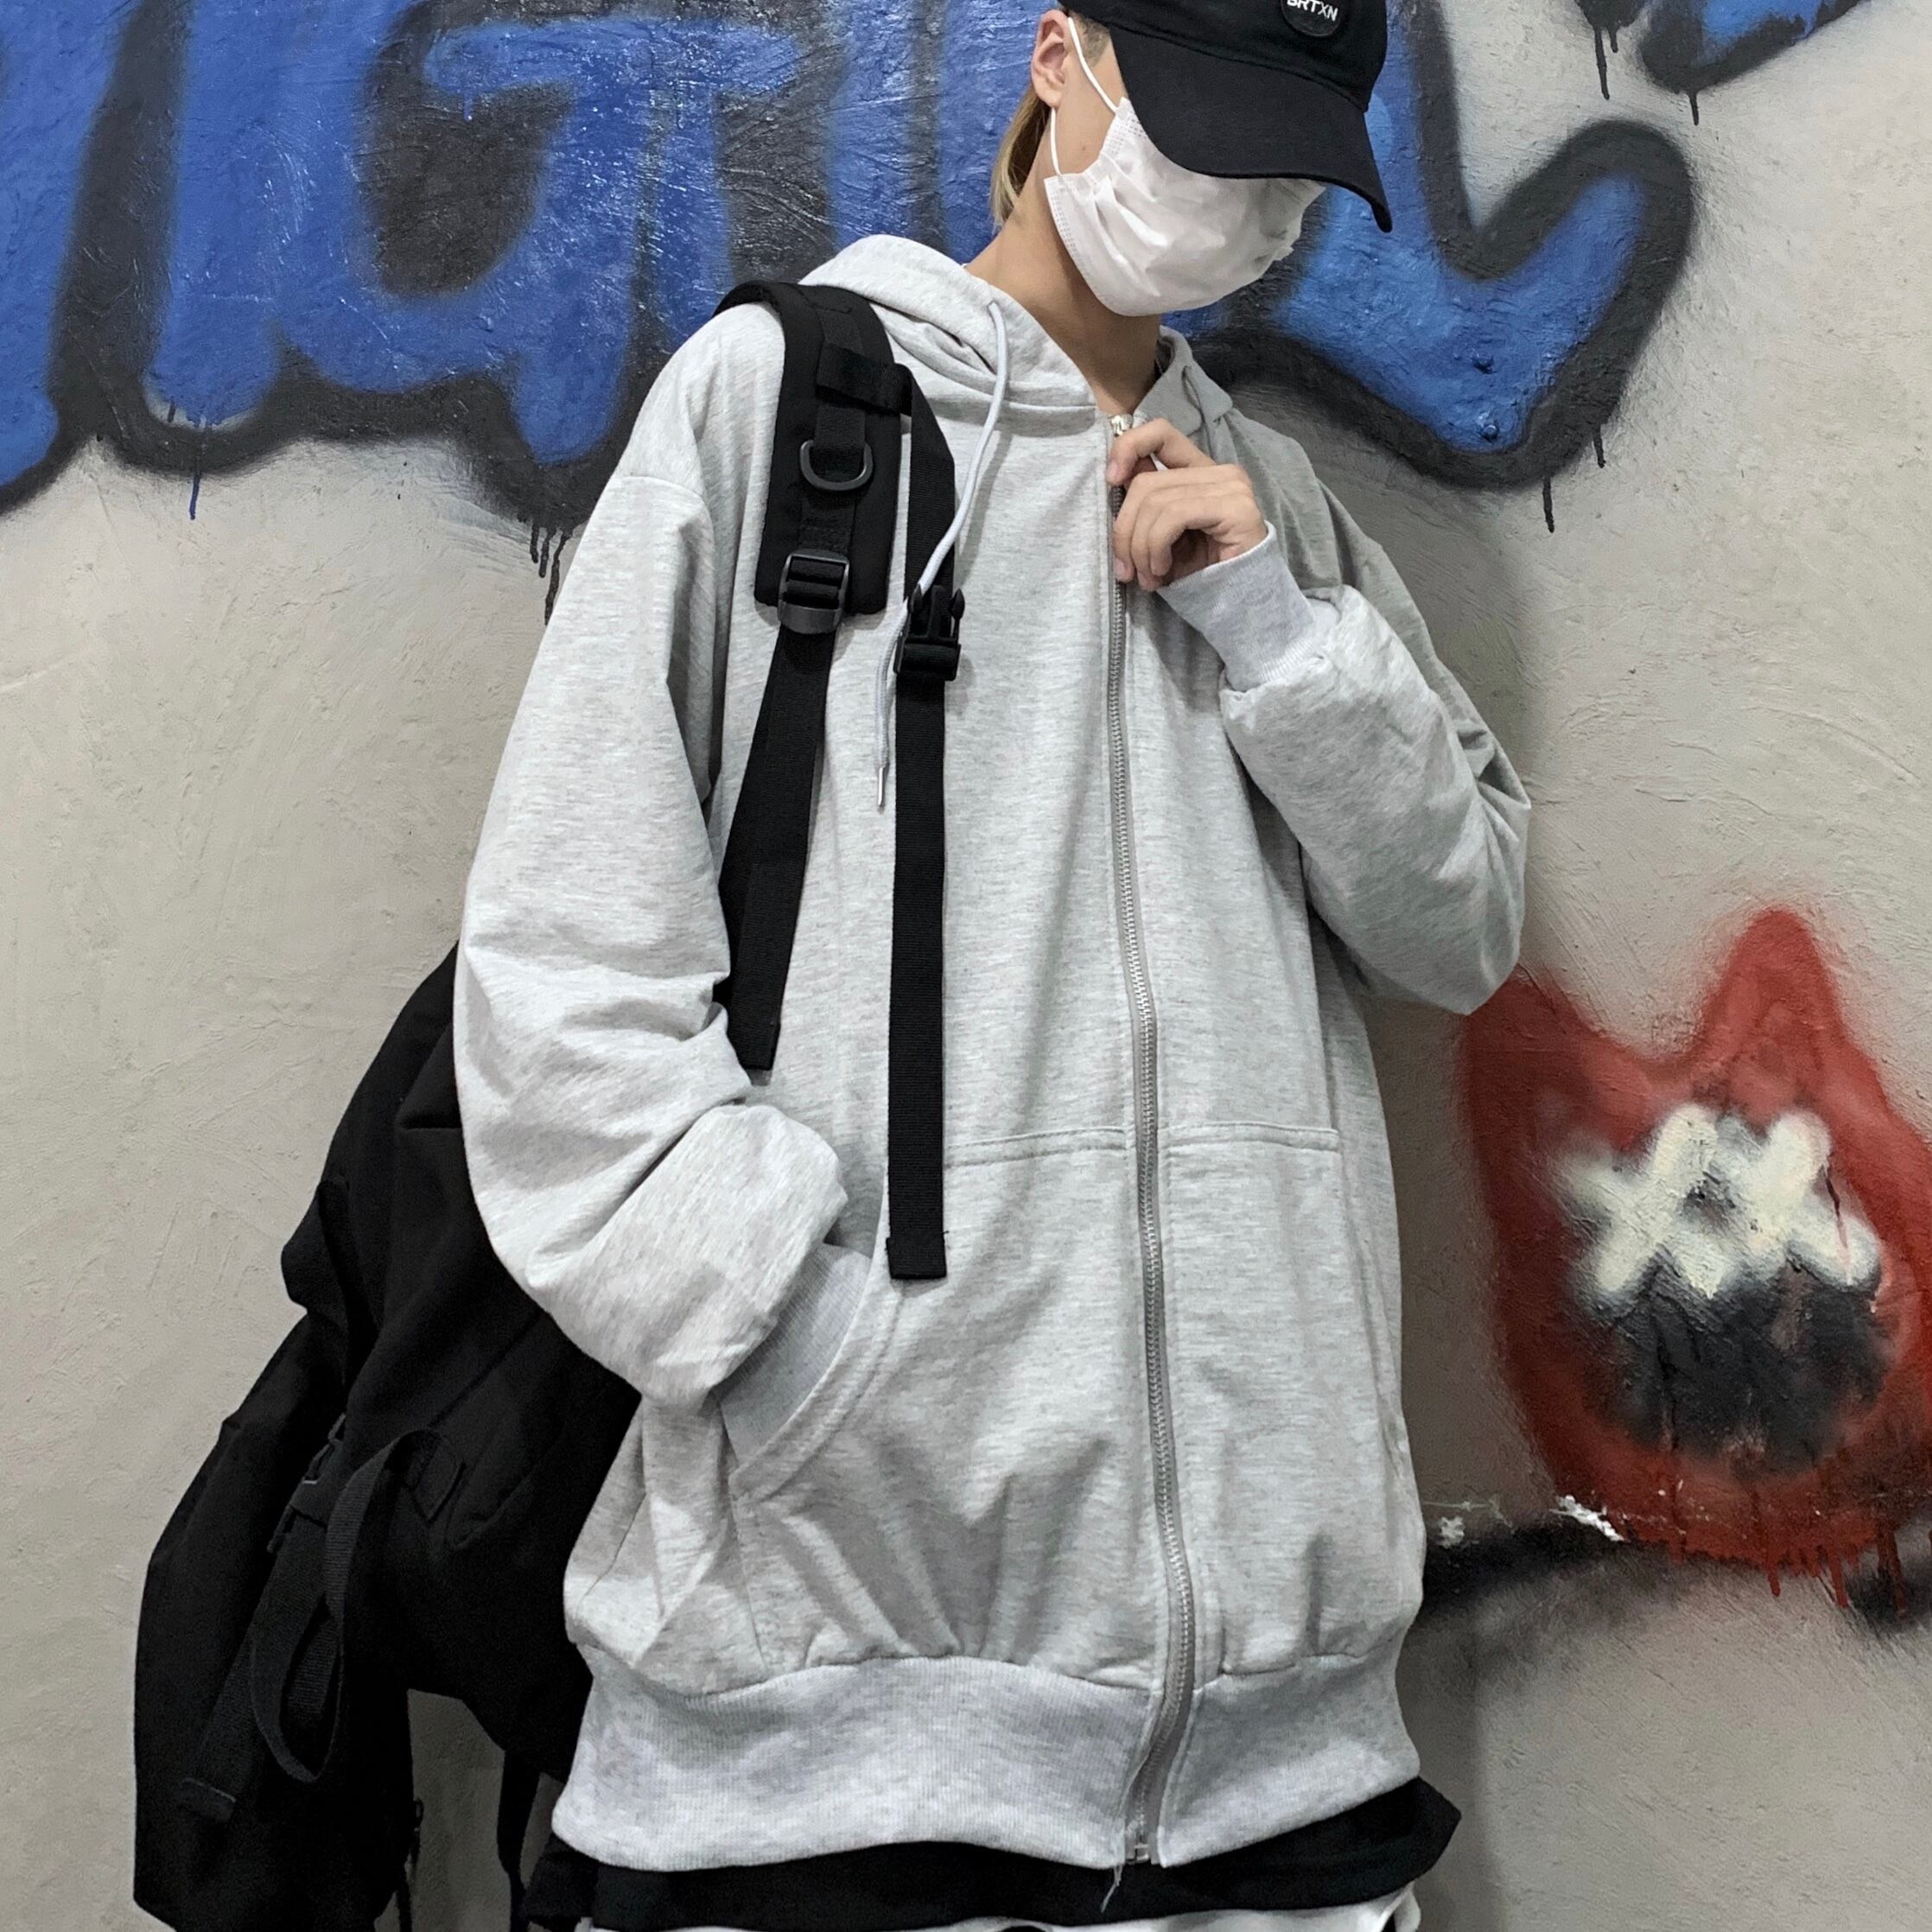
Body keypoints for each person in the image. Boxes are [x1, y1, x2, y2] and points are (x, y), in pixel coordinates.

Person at [453, 3, 1529, 1929]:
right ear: (1060, 62)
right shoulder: (781, 410)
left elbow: (1458, 925)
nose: (1239, 204)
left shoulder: (1277, 505)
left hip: (1277, 1776)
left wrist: (1277, 629)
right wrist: (812, 1345)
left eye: (1286, 173)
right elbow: (562, 969)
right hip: (813, 1741)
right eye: (1203, 134)